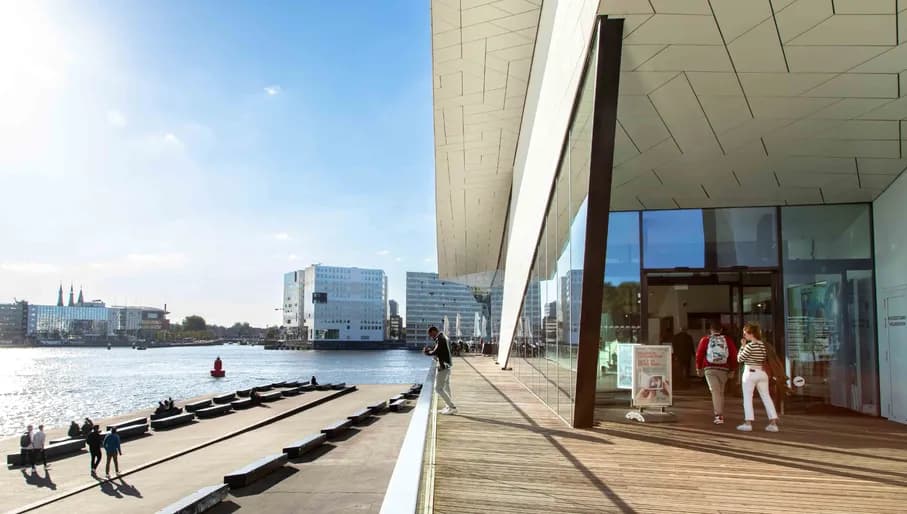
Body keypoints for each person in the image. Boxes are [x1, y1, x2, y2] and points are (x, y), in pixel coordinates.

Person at [736, 322, 780, 432]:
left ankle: (748, 423)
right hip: (762, 372)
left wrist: (742, 347)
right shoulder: (763, 345)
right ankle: (773, 423)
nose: (744, 335)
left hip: (750, 372)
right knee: (766, 397)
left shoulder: (750, 346)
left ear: (751, 334)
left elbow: (740, 359)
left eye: (745, 333)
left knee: (747, 397)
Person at [695, 322, 738, 425]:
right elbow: (733, 354)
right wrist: (733, 369)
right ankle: (719, 414)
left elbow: (699, 354)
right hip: (723, 369)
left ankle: (718, 415)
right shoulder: (727, 340)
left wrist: (698, 367)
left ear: (711, 330)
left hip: (709, 368)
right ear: (721, 330)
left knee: (715, 391)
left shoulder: (705, 340)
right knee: (720, 392)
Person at [424, 326, 457, 415]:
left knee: (438, 389)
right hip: (447, 365)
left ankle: (452, 407)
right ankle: (448, 407)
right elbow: (439, 350)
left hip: (443, 366)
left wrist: (427, 353)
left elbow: (436, 351)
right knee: (446, 386)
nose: (431, 337)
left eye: (431, 334)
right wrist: (432, 351)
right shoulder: (443, 337)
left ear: (434, 331)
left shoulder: (440, 338)